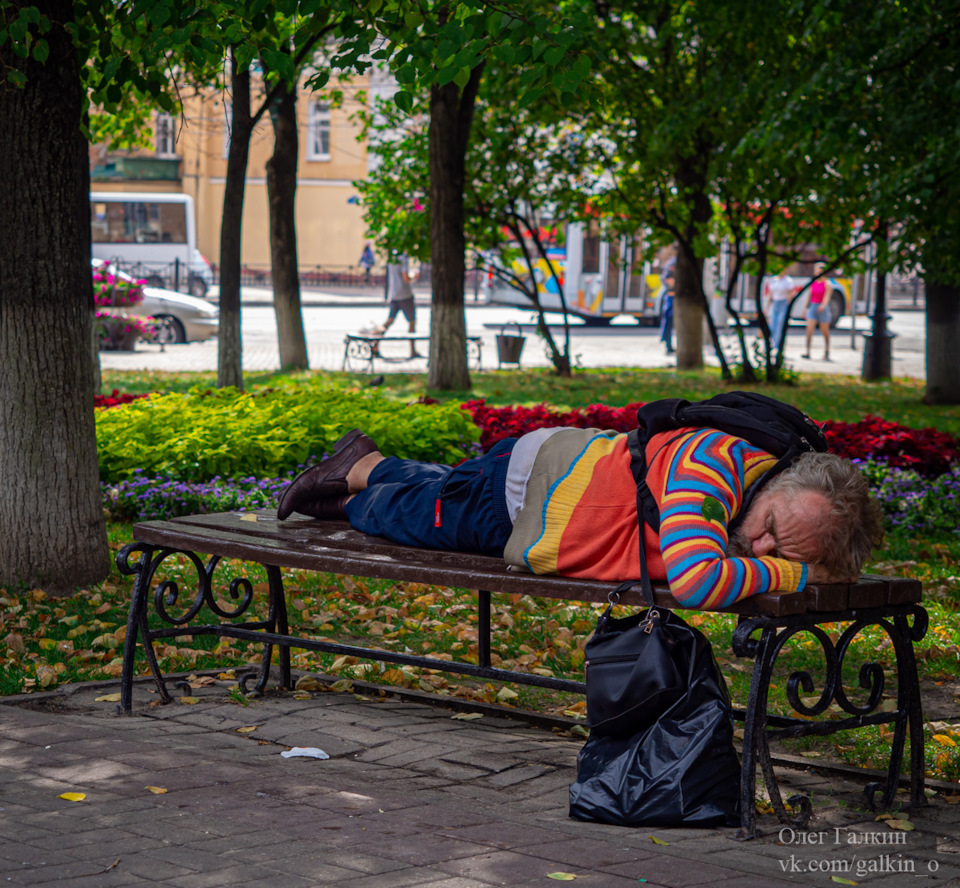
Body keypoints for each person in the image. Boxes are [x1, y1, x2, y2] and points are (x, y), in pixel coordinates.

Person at [277, 421, 884, 608]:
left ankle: (359, 467)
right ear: (779, 482)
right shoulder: (714, 467)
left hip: (549, 486)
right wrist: (803, 576)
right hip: (526, 500)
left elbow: (708, 566)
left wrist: (794, 563)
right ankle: (356, 479)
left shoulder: (760, 490)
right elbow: (699, 579)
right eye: (772, 531)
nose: (762, 551)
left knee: (440, 491)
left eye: (787, 554)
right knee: (401, 516)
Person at [376, 252, 418, 357]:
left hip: (394, 294)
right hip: (405, 295)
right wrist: (414, 276)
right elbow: (406, 278)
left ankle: (375, 344)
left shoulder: (392, 259)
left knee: (389, 321)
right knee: (412, 322)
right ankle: (412, 351)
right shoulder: (403, 259)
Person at [762, 268, 798, 350]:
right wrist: (766, 307)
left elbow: (790, 294)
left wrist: (788, 306)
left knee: (780, 324)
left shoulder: (788, 281)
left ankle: (777, 344)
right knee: (772, 323)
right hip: (775, 303)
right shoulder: (774, 280)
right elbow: (770, 295)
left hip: (783, 303)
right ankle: (771, 342)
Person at [803, 263, 832, 361]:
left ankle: (826, 351)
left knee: (824, 331)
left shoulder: (827, 284)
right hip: (813, 306)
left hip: (822, 308)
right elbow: (809, 296)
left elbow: (827, 297)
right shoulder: (813, 282)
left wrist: (823, 305)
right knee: (809, 329)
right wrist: (805, 308)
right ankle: (807, 351)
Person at [659, 267, 676, 355]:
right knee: (668, 321)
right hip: (671, 297)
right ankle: (667, 345)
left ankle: (668, 345)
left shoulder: (672, 263)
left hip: (672, 297)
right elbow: (667, 279)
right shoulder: (672, 265)